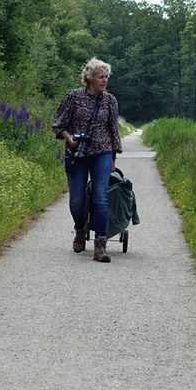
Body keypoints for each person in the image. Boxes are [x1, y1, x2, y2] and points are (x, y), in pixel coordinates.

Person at [52, 58, 123, 263]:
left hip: (102, 152)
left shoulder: (110, 100)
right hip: (77, 154)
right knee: (77, 201)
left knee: (100, 197)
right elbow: (58, 124)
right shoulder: (73, 97)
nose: (105, 80)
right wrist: (69, 137)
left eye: (107, 77)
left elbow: (113, 130)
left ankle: (100, 246)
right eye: (101, 77)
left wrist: (113, 156)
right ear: (90, 78)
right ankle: (80, 228)